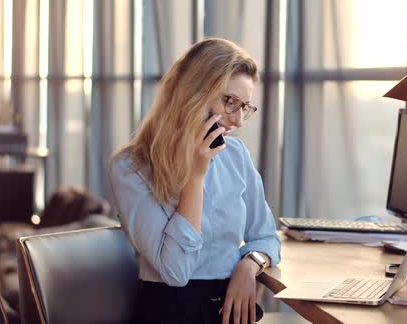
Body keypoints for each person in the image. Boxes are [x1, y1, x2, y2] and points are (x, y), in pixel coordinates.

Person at [108, 38, 281, 324]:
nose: (237, 121)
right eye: (230, 102)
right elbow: (176, 273)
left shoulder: (235, 154)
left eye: (245, 107)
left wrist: (249, 266)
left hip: (231, 308)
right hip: (172, 311)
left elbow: (266, 236)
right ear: (193, 94)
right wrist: (195, 175)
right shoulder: (130, 167)